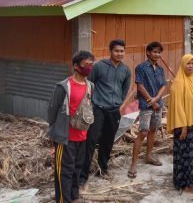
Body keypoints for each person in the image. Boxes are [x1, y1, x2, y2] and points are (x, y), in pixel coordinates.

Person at [80, 39, 131, 185]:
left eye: (122, 51)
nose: (119, 54)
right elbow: (89, 83)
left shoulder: (125, 70)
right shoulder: (99, 67)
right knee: (91, 140)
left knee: (108, 141)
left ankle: (103, 169)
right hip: (98, 109)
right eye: (116, 51)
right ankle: (83, 176)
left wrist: (118, 102)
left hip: (114, 111)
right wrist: (91, 103)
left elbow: (125, 88)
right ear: (111, 51)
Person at [47, 50, 95, 203]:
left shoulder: (90, 86)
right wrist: (55, 137)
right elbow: (52, 111)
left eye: (91, 65)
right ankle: (63, 200)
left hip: (82, 136)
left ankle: (74, 197)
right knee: (64, 172)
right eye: (86, 64)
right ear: (76, 66)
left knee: (77, 169)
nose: (89, 67)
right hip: (65, 138)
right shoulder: (63, 86)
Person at [167, 54, 193, 195]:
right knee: (187, 156)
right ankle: (188, 185)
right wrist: (183, 126)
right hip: (185, 126)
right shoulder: (179, 83)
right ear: (183, 65)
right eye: (188, 63)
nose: (191, 66)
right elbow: (177, 106)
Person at [127, 41, 169, 178]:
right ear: (148, 53)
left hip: (158, 104)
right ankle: (133, 164)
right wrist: (151, 100)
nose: (157, 54)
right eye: (154, 52)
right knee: (143, 132)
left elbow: (163, 85)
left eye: (159, 52)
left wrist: (156, 99)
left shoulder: (160, 69)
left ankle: (148, 156)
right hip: (146, 105)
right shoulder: (141, 67)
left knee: (153, 130)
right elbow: (140, 86)